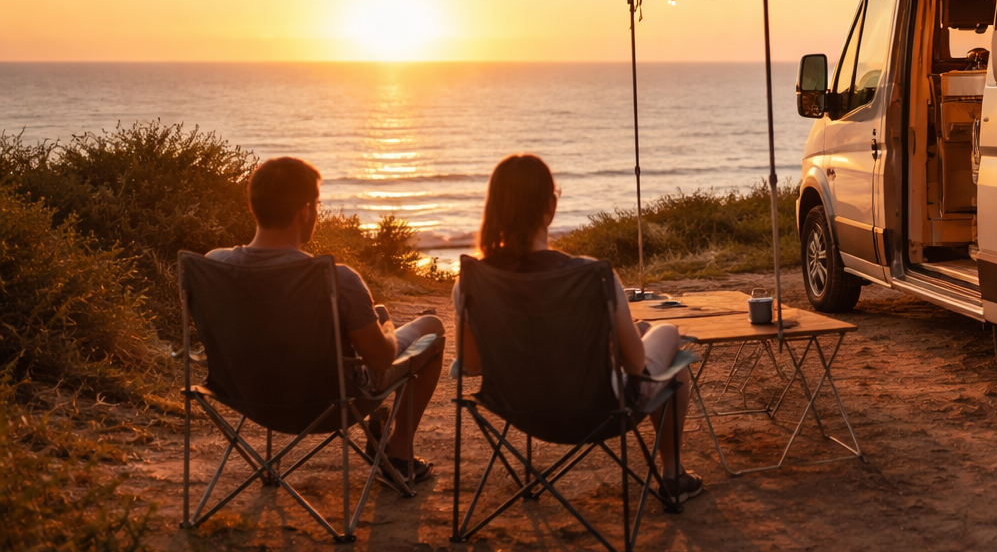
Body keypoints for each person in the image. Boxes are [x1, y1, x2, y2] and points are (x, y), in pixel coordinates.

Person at [454, 154, 703, 504]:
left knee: (640, 330)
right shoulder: (593, 275)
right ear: (551, 206)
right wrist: (612, 350)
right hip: (599, 410)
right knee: (668, 333)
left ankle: (633, 335)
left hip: (519, 409)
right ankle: (673, 473)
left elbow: (472, 365)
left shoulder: (471, 280)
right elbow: (635, 366)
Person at [207, 156, 445, 482]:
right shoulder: (338, 279)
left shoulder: (214, 266)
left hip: (248, 397)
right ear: (305, 212)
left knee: (374, 316)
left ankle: (379, 427)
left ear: (254, 206)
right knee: (431, 327)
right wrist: (387, 329)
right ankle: (397, 454)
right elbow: (380, 359)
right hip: (330, 403)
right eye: (316, 206)